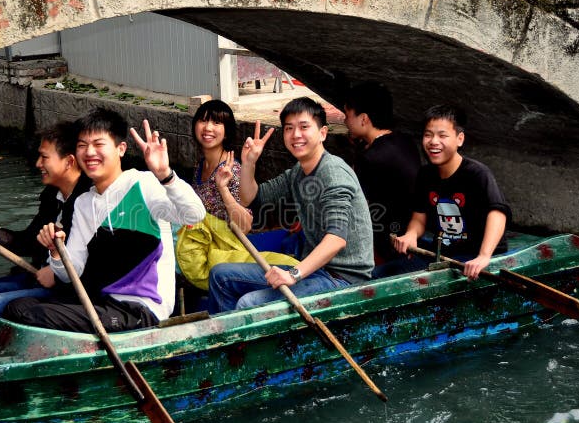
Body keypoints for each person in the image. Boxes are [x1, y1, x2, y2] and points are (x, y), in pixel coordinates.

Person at [3, 108, 206, 332]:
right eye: (82, 145)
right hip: (99, 304)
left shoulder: (143, 184)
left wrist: (165, 174)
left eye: (99, 144)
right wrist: (56, 252)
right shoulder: (83, 203)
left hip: (140, 310)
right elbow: (72, 273)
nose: (89, 152)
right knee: (18, 307)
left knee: (31, 313)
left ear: (121, 149)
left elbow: (194, 215)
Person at [207, 97, 374, 313]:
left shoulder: (332, 173)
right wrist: (249, 164)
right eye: (289, 128)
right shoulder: (299, 171)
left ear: (322, 133)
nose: (296, 135)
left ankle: (247, 344)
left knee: (248, 304)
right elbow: (252, 198)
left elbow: (336, 239)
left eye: (304, 127)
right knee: (220, 275)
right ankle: (231, 344)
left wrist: (293, 273)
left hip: (343, 279)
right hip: (316, 270)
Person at [0, 121, 91, 315]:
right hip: (36, 278)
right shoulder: (52, 195)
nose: (37, 164)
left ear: (69, 162)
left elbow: (92, 260)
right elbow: (30, 241)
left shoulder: (90, 200)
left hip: (70, 292)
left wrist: (57, 274)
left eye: (44, 157)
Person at [176, 99, 299, 290]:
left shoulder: (232, 171)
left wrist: (223, 189)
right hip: (201, 243)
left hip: (225, 249)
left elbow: (245, 225)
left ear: (227, 131)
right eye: (203, 121)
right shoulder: (200, 166)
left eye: (216, 123)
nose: (208, 128)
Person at [391, 104, 511, 279]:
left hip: (473, 258)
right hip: (442, 254)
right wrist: (410, 235)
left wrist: (484, 256)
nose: (433, 142)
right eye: (428, 135)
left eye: (442, 135)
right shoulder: (425, 174)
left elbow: (498, 213)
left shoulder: (477, 173)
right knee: (384, 274)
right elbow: (419, 217)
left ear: (459, 139)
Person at [343, 81, 421, 277]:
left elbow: (350, 203)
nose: (345, 121)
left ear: (364, 119)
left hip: (390, 243)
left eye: (347, 115)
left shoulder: (370, 158)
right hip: (412, 229)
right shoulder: (406, 141)